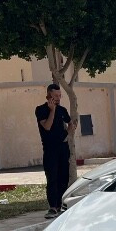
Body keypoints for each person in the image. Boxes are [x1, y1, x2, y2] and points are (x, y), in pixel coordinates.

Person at [35, 83, 75, 218]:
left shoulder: (63, 110)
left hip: (63, 148)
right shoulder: (41, 110)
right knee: (52, 178)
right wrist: (52, 110)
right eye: (55, 95)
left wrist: (68, 135)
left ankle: (60, 205)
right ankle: (52, 207)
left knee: (63, 177)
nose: (58, 98)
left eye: (60, 96)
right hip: (50, 150)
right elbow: (47, 126)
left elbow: (71, 123)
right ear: (49, 95)